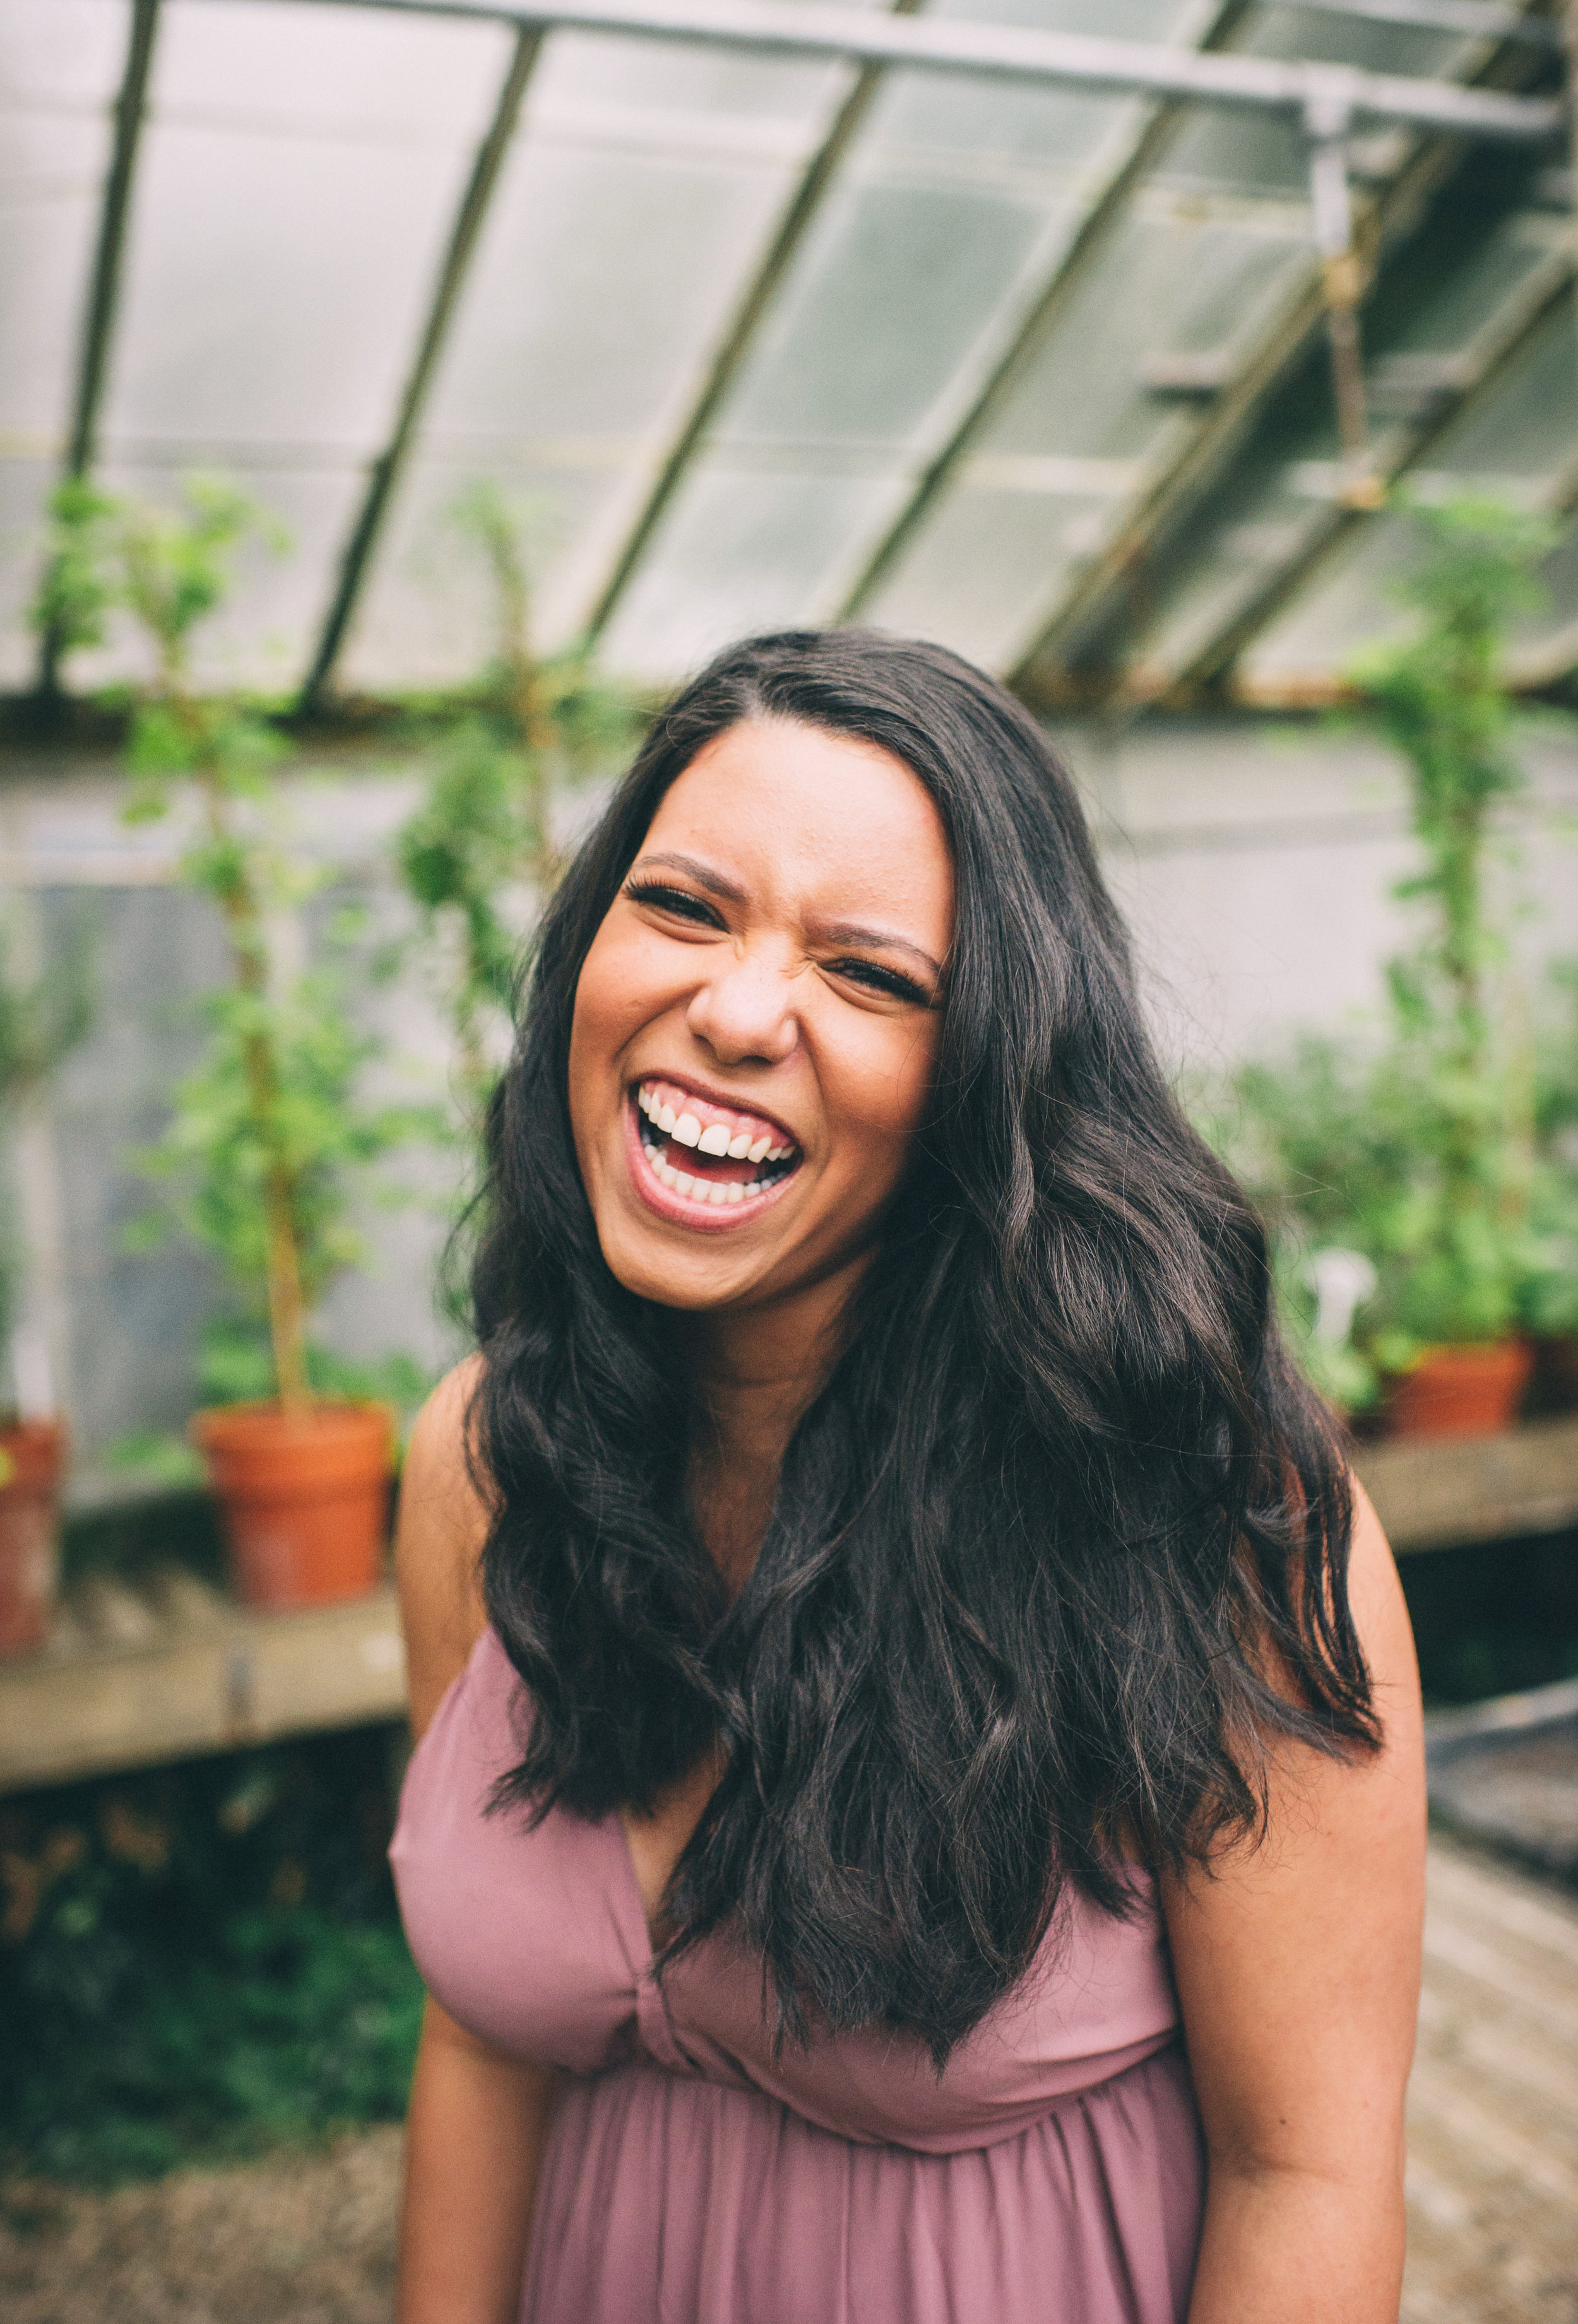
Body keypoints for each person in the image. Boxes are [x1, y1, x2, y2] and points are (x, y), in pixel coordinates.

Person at [391, 630, 1425, 2324]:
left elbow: (1300, 2175)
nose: (731, 1012)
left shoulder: (1198, 1517)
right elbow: (480, 2035)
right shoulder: (484, 1464)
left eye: (866, 976)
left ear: (991, 1079)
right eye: (680, 907)